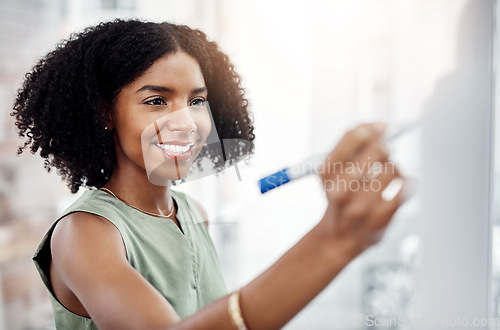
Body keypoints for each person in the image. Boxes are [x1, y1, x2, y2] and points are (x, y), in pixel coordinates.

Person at [11, 19, 410, 329]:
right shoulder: (85, 232)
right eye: (156, 100)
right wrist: (334, 240)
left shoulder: (192, 211)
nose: (186, 122)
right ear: (104, 112)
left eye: (197, 100)